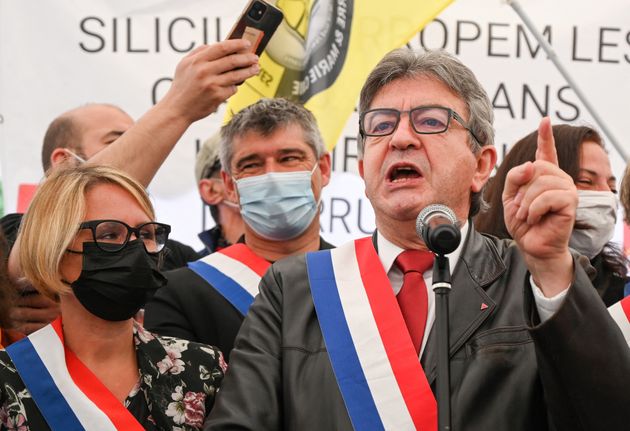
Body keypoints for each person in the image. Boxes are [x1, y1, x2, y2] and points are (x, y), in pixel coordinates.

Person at [206, 49, 630, 430]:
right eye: (381, 125)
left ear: (481, 166)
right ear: (363, 165)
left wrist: (553, 265)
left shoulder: (535, 277)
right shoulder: (294, 287)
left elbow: (607, 414)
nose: (401, 138)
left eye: (430, 121)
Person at [3, 39, 259, 336]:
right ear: (64, 163)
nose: (147, 149)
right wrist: (178, 106)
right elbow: (33, 253)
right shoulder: (14, 234)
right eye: (116, 141)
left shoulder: (174, 256)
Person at [0, 165, 227, 430]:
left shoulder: (201, 367)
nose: (136, 248)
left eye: (146, 234)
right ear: (54, 250)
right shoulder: (9, 377)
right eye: (109, 234)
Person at [144, 98, 334, 359]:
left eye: (289, 158)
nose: (271, 177)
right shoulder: (180, 295)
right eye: (251, 164)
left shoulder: (364, 279)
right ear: (229, 185)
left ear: (323, 169)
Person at [475, 124, 626, 306]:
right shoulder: (467, 284)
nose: (606, 196)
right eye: (586, 181)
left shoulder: (623, 298)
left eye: (612, 189)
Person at [194, 133, 244, 256]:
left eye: (286, 159)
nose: (271, 174)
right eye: (249, 165)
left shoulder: (297, 264)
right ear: (211, 191)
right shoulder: (193, 272)